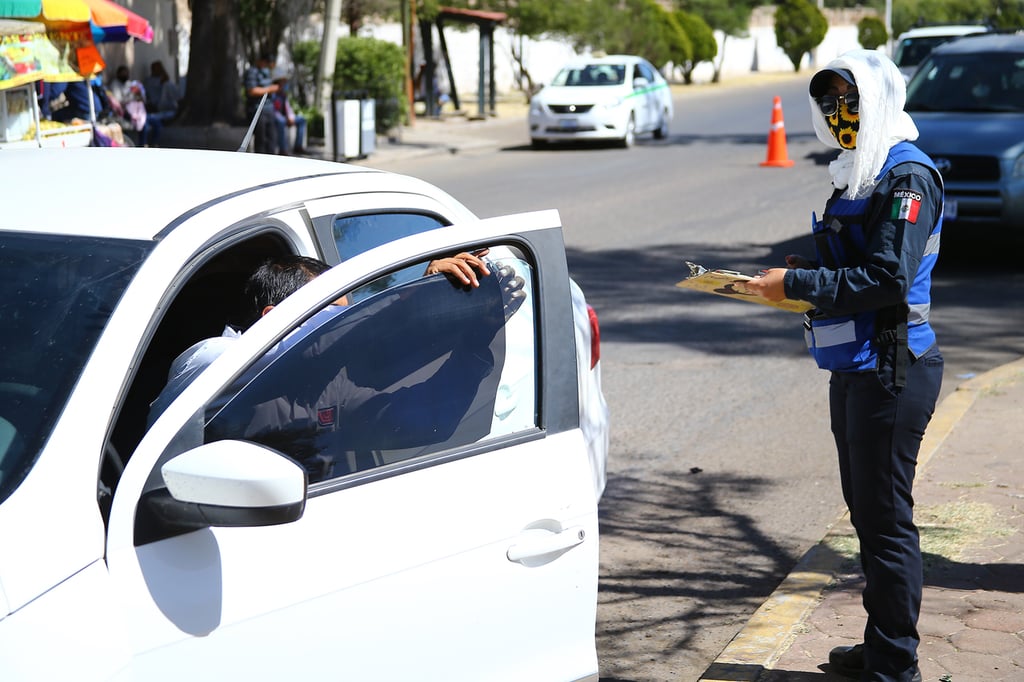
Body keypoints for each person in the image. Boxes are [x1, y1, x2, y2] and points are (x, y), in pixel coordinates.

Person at [744, 50, 943, 682]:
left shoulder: (907, 177)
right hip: (857, 364)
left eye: (849, 100)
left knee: (886, 522)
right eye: (828, 103)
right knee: (865, 512)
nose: (838, 114)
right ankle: (881, 647)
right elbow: (849, 264)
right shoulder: (860, 171)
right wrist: (788, 285)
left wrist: (798, 279)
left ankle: (895, 666)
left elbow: (889, 275)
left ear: (879, 99)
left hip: (894, 367)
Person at [148, 250, 520, 426]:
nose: (342, 325)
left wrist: (474, 334)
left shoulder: (324, 388)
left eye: (346, 314)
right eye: (332, 316)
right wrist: (412, 298)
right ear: (273, 321)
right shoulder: (209, 361)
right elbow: (328, 340)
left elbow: (424, 419)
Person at [243, 53, 280, 154]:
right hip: (258, 110)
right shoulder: (252, 72)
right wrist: (270, 89)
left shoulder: (268, 72)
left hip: (269, 109)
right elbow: (251, 91)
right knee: (261, 140)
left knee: (272, 139)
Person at [139, 61, 179, 147]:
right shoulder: (149, 81)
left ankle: (153, 142)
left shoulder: (167, 84)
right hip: (156, 108)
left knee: (154, 120)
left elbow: (176, 97)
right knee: (152, 121)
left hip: (168, 110)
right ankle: (149, 143)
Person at [270, 67, 307, 155]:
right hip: (277, 117)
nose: (285, 83)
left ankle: (298, 146)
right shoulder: (273, 94)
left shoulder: (283, 94)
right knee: (281, 121)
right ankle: (282, 149)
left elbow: (287, 107)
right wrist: (285, 118)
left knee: (301, 120)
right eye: (283, 81)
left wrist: (291, 117)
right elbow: (274, 110)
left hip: (285, 117)